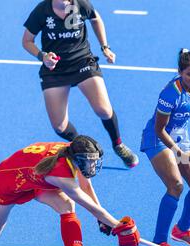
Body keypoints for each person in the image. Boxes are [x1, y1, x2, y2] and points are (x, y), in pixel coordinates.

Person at [0, 135, 141, 246]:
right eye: (90, 162)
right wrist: (117, 226)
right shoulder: (61, 174)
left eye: (94, 161)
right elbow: (88, 205)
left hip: (35, 177)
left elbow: (86, 186)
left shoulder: (75, 150)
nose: (92, 165)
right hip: (6, 183)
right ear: (79, 160)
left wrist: (102, 220)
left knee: (67, 206)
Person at [22, 0, 138, 168]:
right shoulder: (42, 10)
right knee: (60, 127)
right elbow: (27, 41)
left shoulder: (81, 4)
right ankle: (84, 146)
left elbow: (95, 19)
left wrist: (105, 47)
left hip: (82, 62)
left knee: (104, 110)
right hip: (55, 69)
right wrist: (43, 56)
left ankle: (118, 144)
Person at [140, 49, 190, 246]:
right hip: (158, 138)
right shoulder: (170, 93)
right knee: (176, 186)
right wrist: (179, 152)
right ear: (180, 73)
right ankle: (158, 244)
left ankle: (182, 230)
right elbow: (159, 129)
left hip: (181, 136)